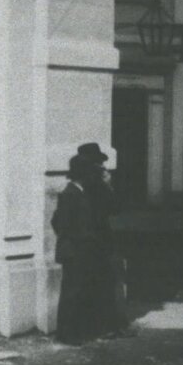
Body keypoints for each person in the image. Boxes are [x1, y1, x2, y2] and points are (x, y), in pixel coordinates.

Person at [52, 144, 121, 343]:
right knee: (72, 292)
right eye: (95, 167)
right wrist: (77, 238)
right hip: (77, 249)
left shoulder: (84, 190)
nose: (99, 171)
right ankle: (67, 334)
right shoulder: (72, 193)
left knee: (82, 290)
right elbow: (61, 221)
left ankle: (82, 331)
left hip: (87, 248)